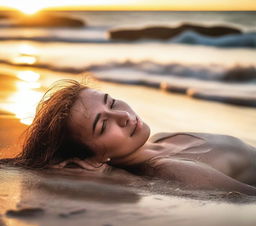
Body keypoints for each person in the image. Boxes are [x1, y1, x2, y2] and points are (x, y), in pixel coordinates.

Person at [1, 79, 256, 195]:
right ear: (91, 158)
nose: (122, 115)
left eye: (111, 102)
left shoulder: (162, 138)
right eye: (103, 125)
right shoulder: (170, 170)